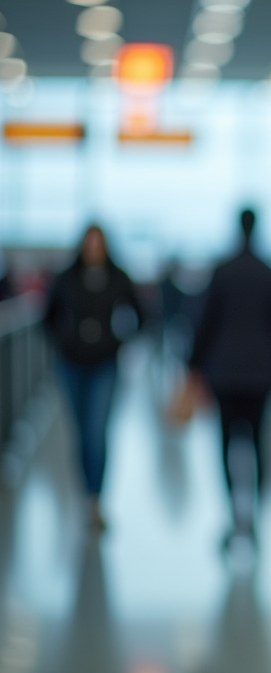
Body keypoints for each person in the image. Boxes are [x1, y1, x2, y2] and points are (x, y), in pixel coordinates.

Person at [189, 209, 271, 546]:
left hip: (224, 371)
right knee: (259, 442)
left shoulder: (222, 271)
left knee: (225, 443)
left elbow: (205, 321)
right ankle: (257, 516)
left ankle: (231, 513)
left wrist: (193, 366)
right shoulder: (270, 273)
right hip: (261, 372)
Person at [43, 224, 143, 529]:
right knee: (81, 433)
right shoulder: (67, 278)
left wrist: (116, 340)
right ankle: (85, 491)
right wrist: (66, 339)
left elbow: (141, 315)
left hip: (104, 363)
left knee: (97, 431)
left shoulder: (118, 278)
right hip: (71, 364)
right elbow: (48, 318)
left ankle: (95, 499)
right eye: (90, 243)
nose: (94, 248)